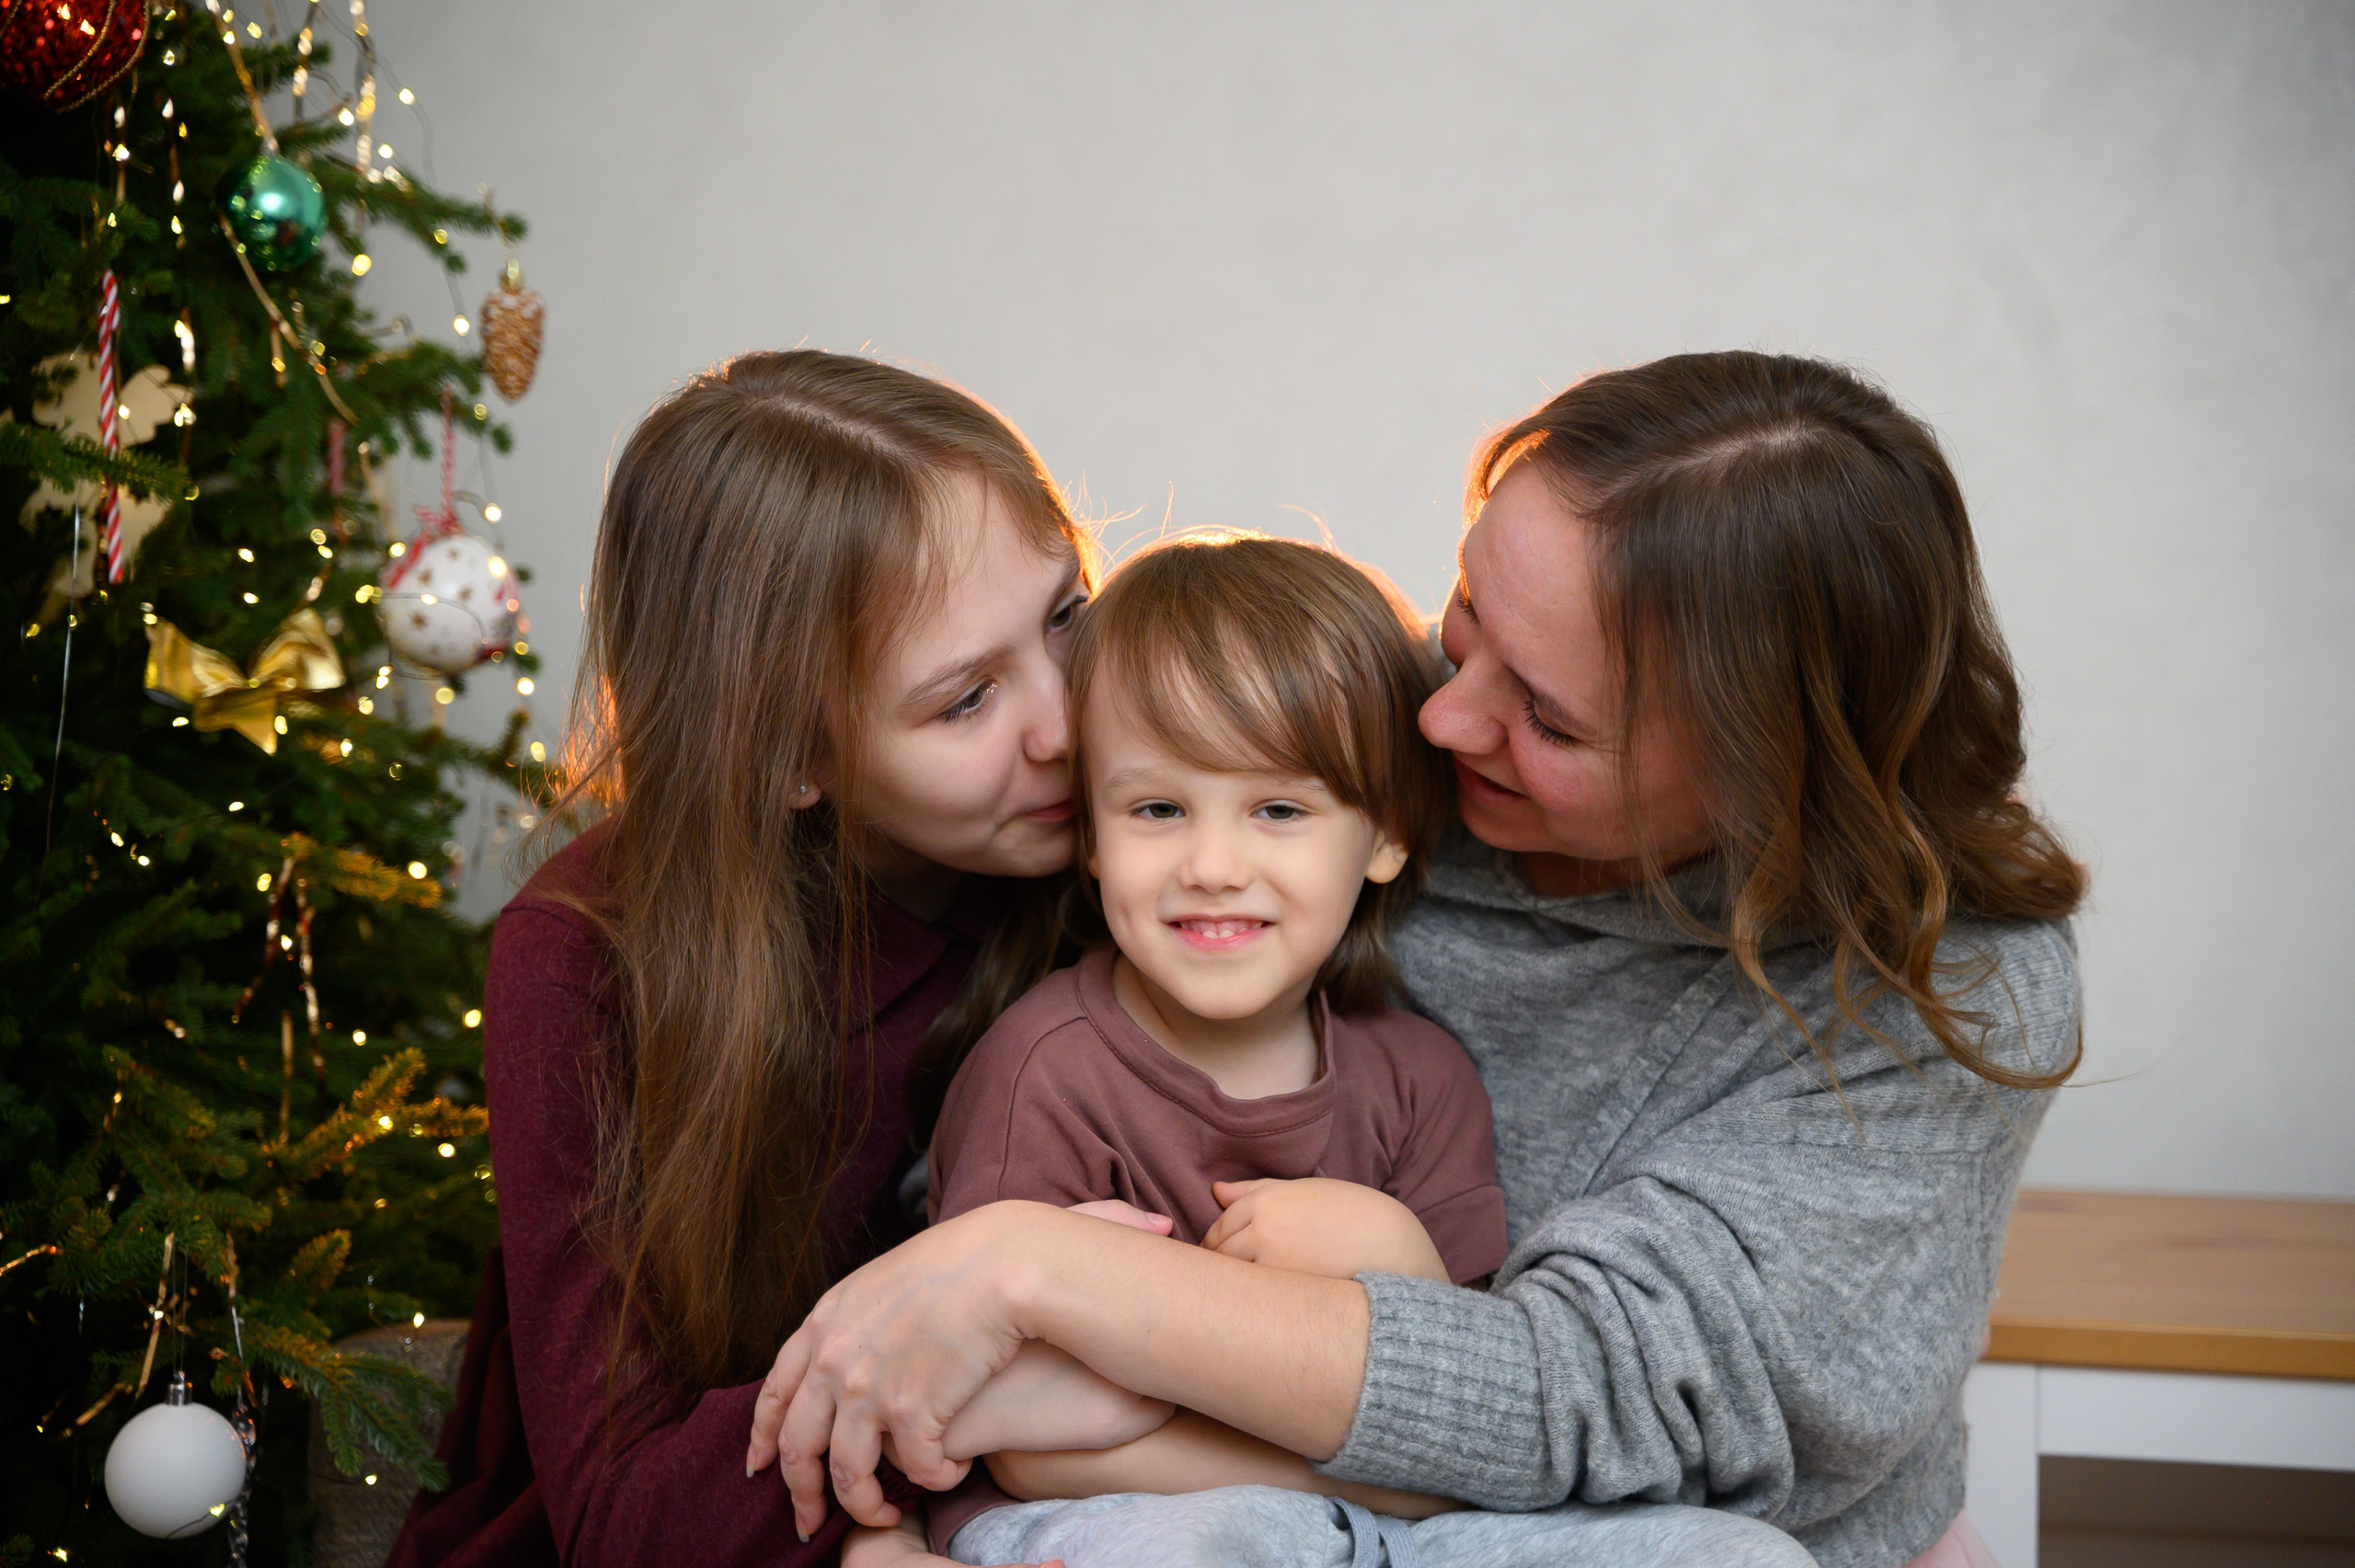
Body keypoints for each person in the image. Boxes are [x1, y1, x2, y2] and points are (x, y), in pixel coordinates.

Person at [746, 351, 2084, 1568]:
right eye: (1463, 614)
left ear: (1766, 785)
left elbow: (1603, 1407)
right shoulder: (1354, 757)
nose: (1440, 715)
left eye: (1547, 718)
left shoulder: (1942, 988)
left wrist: (1042, 1269)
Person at [925, 534, 1814, 1568]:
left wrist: (1396, 1251)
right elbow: (1024, 1448)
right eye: (1158, 809)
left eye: (1278, 810)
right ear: (1090, 835)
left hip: (1397, 1524)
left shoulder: (1418, 1078)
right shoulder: (1044, 1067)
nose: (1212, 865)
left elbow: (1467, 1434)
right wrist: (1333, 1491)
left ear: (1386, 835)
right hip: (1132, 1513)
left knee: (1735, 1556)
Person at [387, 349, 1097, 1568]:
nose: (1066, 724)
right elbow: (629, 1512)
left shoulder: (1141, 841)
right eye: (964, 700)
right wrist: (981, 1329)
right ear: (788, 758)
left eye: (1066, 618)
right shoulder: (585, 962)